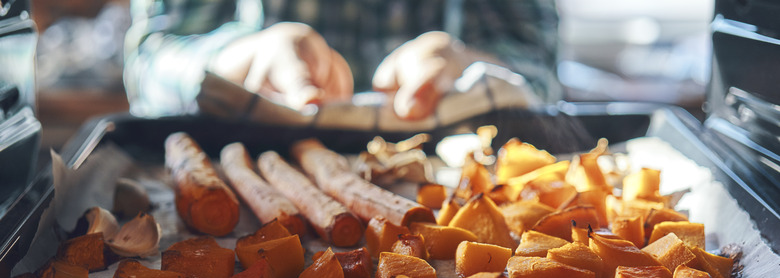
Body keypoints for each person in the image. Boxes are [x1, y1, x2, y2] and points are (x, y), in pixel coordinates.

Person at [124, 0, 559, 120]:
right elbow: (151, 58)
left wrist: (472, 65)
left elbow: (537, 68)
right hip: (243, 157)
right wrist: (234, 62)